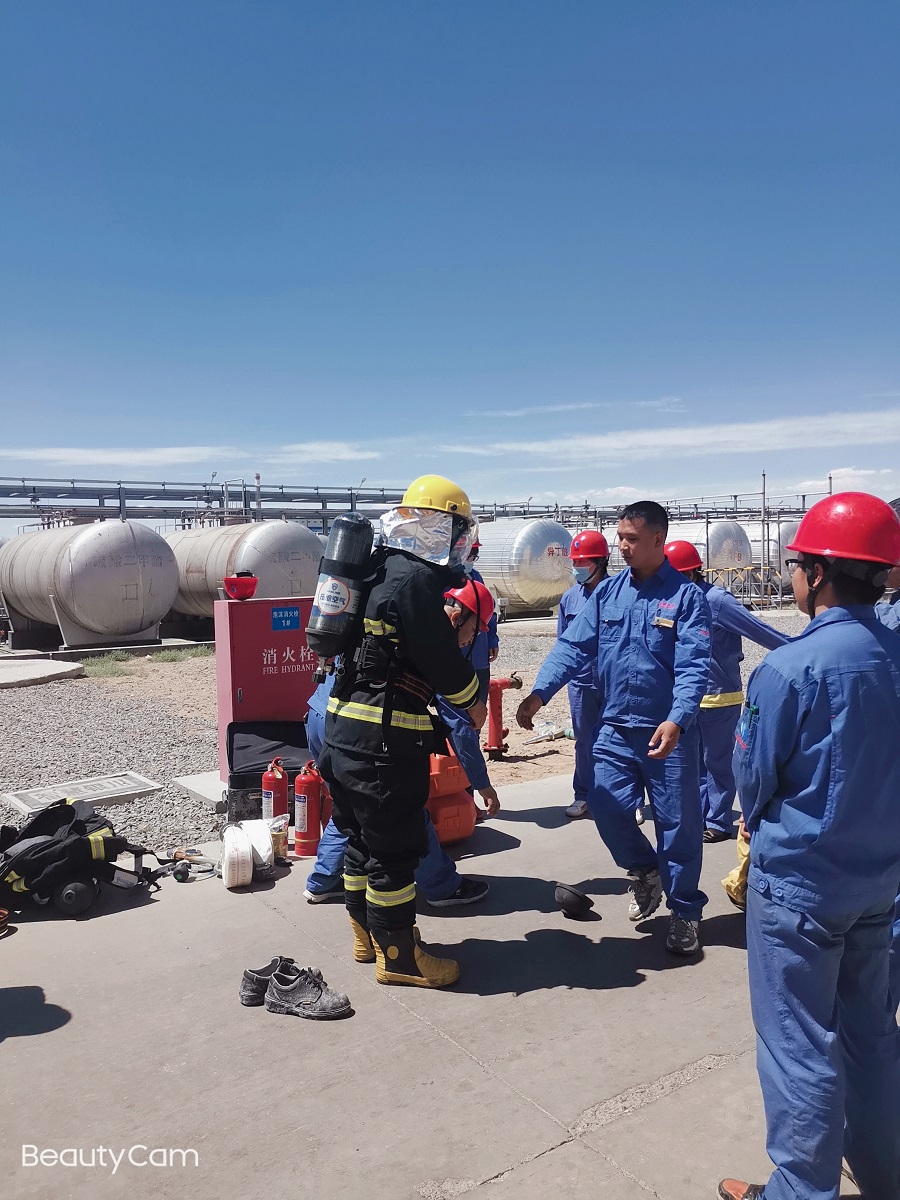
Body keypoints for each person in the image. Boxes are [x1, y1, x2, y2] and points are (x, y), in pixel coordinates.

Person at [720, 492, 900, 1200]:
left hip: (800, 890)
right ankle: (886, 1177)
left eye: (796, 566)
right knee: (872, 1038)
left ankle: (799, 1191)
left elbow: (753, 777)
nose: (792, 576)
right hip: (878, 884)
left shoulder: (789, 668)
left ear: (819, 573)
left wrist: (754, 822)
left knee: (799, 1049)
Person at [517, 500, 712, 956]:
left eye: (631, 539)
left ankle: (685, 912)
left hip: (667, 734)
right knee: (604, 806)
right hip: (615, 729)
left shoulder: (686, 598)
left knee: (678, 826)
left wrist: (678, 718)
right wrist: (540, 692)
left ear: (658, 540)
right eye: (619, 537)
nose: (621, 546)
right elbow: (573, 646)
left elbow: (694, 667)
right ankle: (645, 870)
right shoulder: (607, 594)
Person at [317, 474, 486, 989]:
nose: (461, 544)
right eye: (458, 531)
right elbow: (443, 663)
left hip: (342, 732)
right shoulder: (414, 580)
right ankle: (399, 957)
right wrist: (474, 701)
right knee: (393, 852)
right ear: (439, 528)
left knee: (359, 841)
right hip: (383, 745)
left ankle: (366, 938)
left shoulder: (372, 568)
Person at [304, 581, 500, 908]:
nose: (472, 640)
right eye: (474, 631)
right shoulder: (433, 641)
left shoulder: (398, 616)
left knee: (351, 805)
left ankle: (323, 880)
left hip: (320, 716)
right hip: (358, 729)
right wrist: (482, 784)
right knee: (405, 808)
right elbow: (460, 724)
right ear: (457, 618)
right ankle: (442, 887)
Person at [663, 540, 790, 843]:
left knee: (717, 763)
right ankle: (699, 815)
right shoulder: (673, 600)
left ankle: (718, 822)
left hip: (720, 697)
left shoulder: (717, 601)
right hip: (686, 699)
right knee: (693, 765)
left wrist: (803, 648)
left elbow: (761, 632)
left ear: (691, 573)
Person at [556, 530, 609, 819]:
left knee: (620, 742)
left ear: (600, 562)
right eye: (574, 562)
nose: (577, 567)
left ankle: (628, 800)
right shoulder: (569, 599)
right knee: (584, 741)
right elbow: (563, 644)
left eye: (583, 562)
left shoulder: (619, 593)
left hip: (613, 683)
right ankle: (584, 795)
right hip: (581, 683)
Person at [462, 537, 500, 703]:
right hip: (455, 659)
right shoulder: (442, 579)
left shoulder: (476, 576)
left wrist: (492, 640)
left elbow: (489, 610)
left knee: (479, 705)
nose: (470, 560)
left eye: (473, 556)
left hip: (479, 658)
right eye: (467, 555)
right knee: (455, 712)